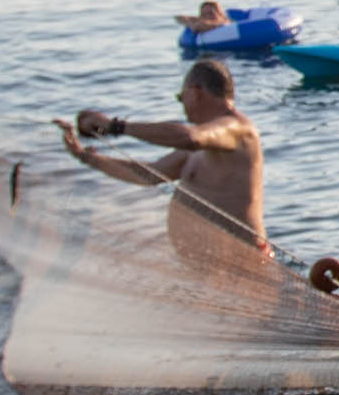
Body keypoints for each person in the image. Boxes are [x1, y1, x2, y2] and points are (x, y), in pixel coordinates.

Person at [57, 60, 269, 267]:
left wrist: (115, 127)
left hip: (242, 266)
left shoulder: (237, 129)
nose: (182, 106)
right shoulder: (203, 142)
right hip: (204, 266)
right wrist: (85, 156)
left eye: (180, 98)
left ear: (195, 92)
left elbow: (190, 138)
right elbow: (149, 175)